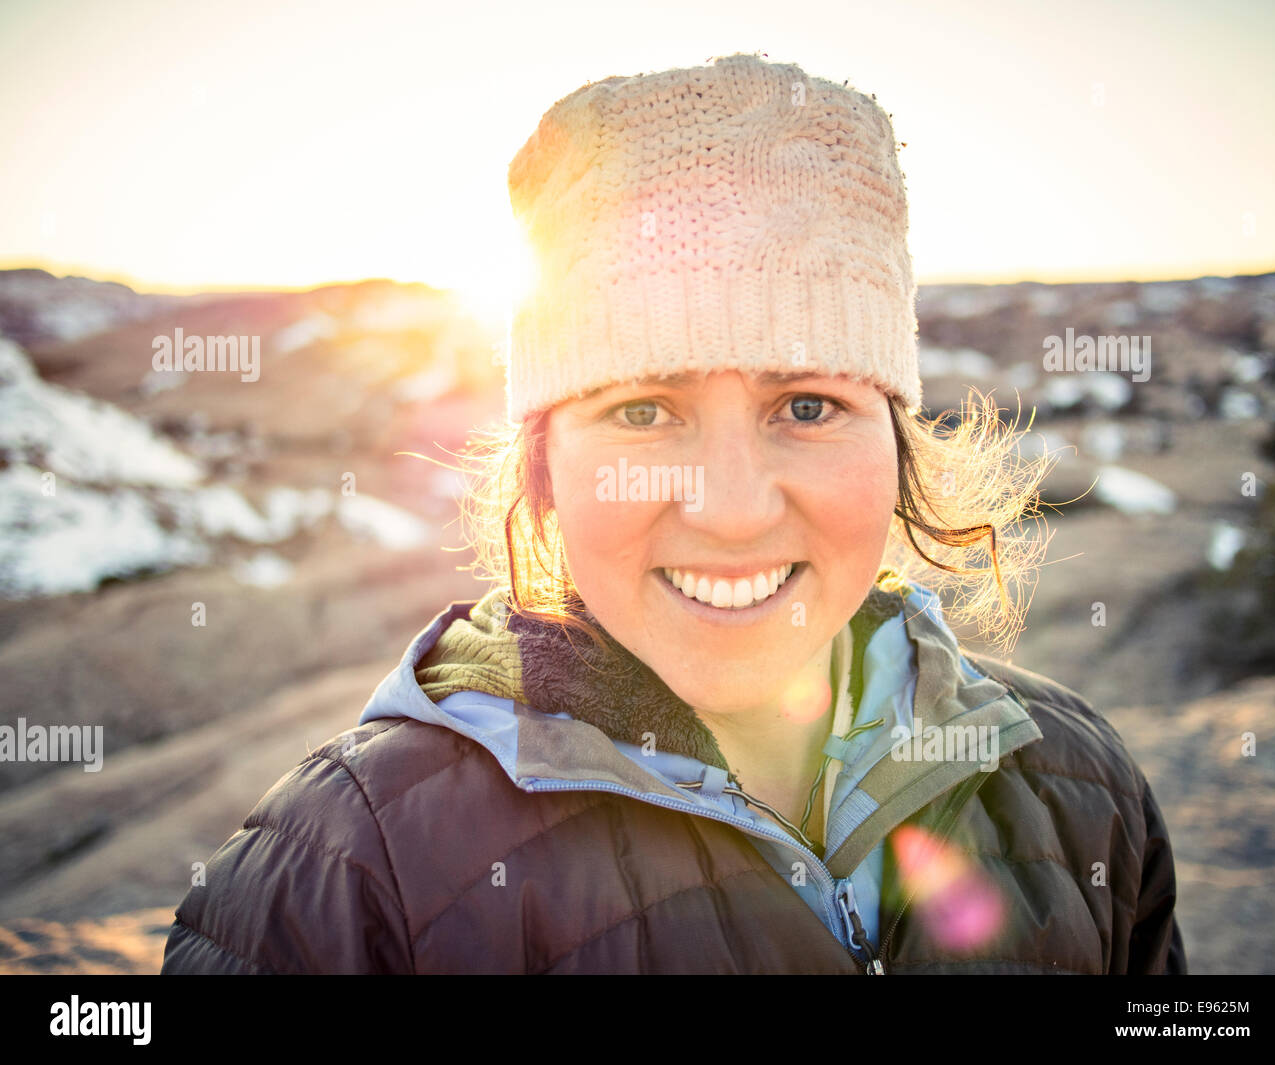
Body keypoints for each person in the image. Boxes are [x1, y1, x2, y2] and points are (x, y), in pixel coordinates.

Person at [160, 52, 1186, 975]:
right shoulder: (349, 878)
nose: (733, 513)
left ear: (898, 438)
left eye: (809, 406)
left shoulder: (1072, 784)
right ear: (544, 463)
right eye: (644, 412)